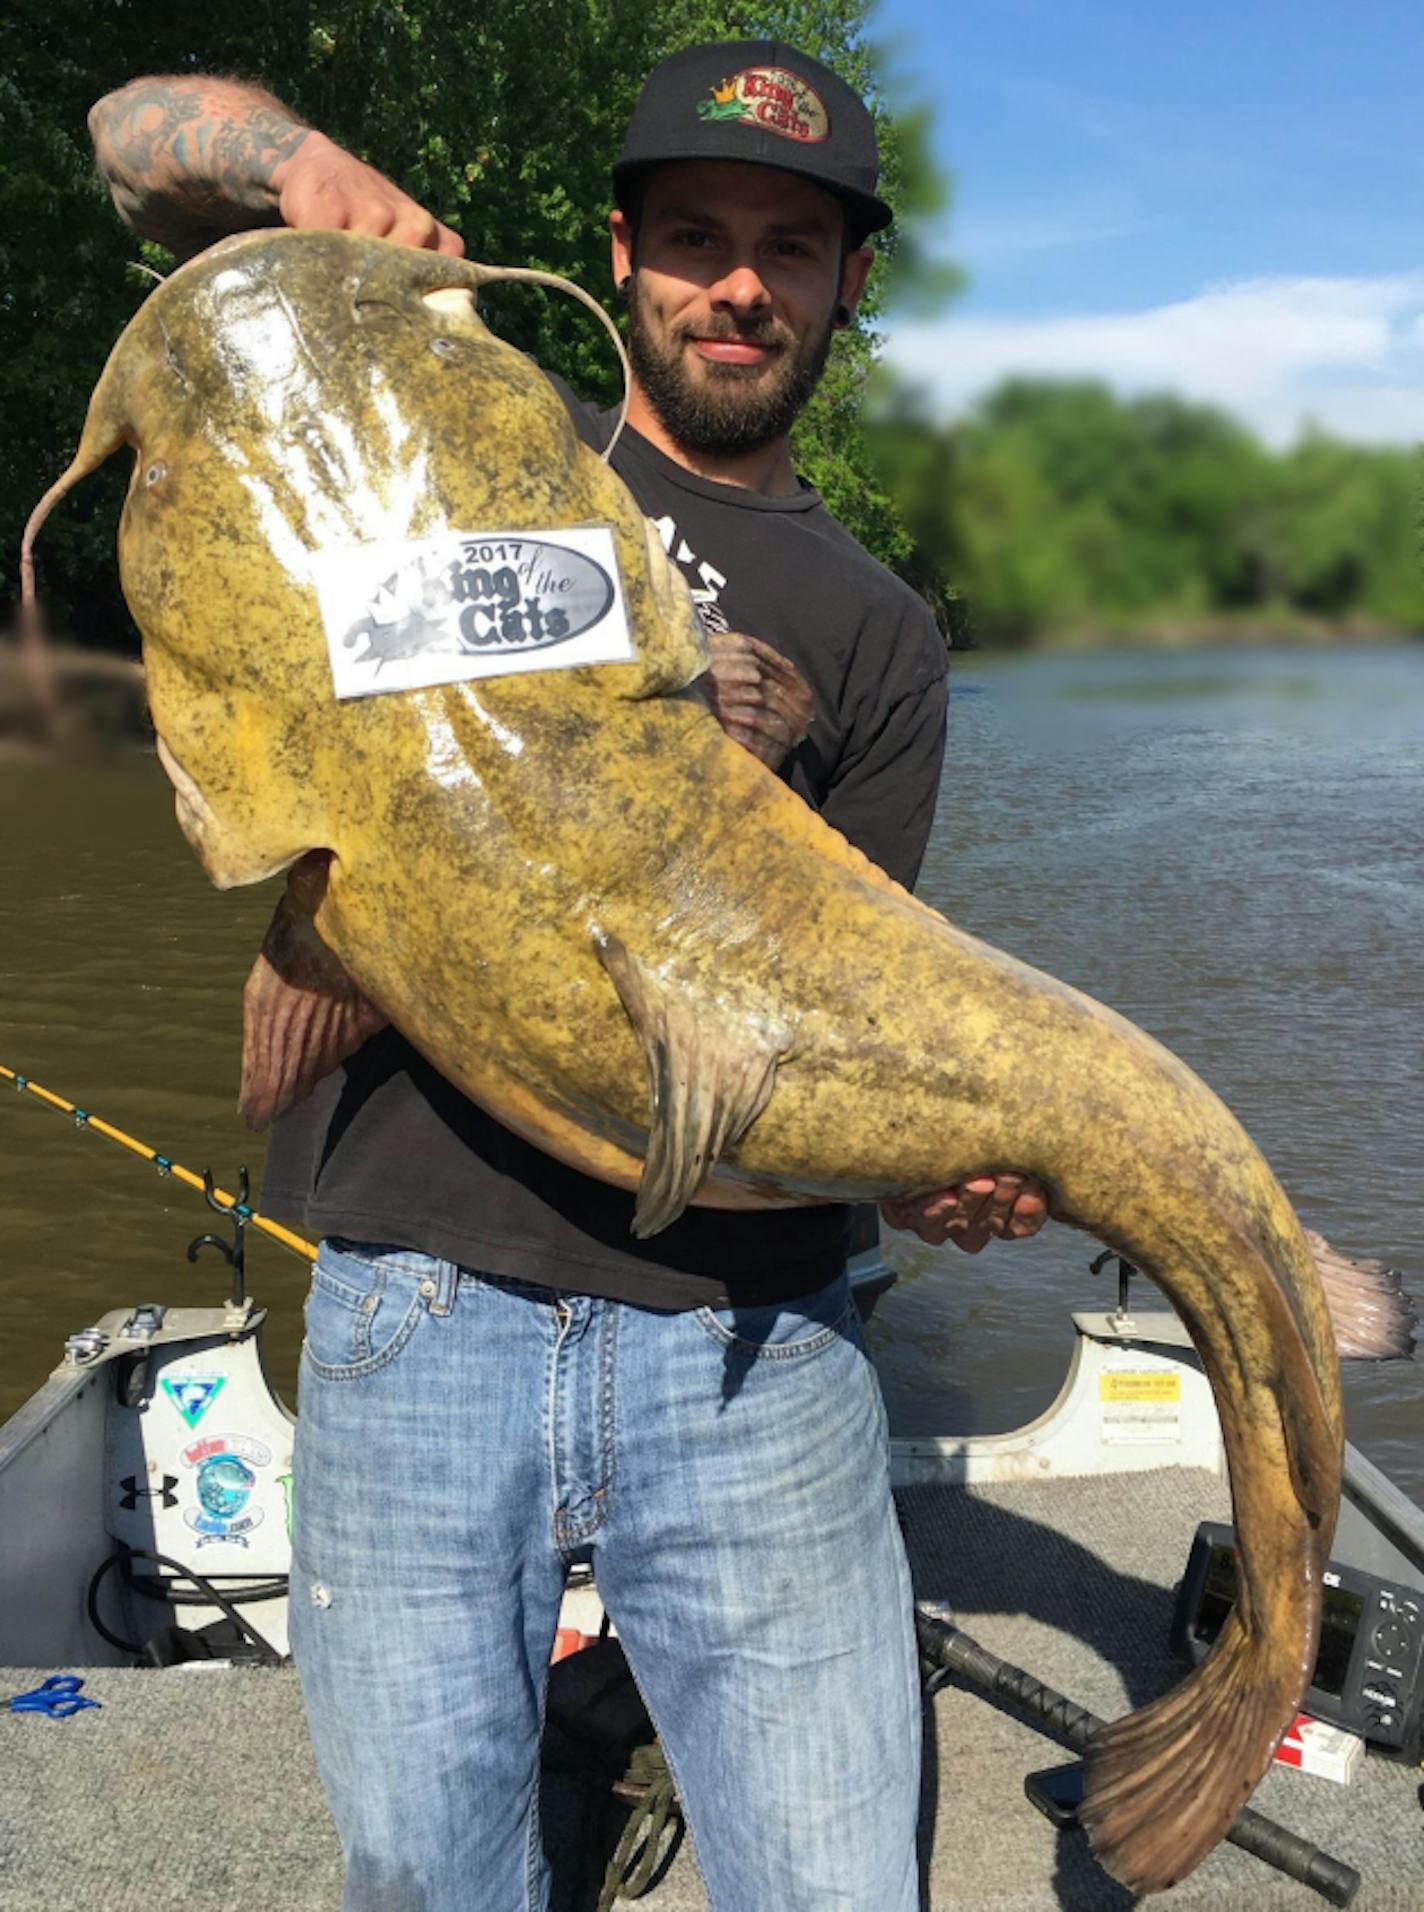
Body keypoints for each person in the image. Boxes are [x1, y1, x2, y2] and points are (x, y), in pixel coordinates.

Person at [91, 42, 1048, 1910]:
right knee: (430, 1876)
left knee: (846, 1884)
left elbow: (825, 1022)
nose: (740, 283)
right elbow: (132, 140)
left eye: (792, 246)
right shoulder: (456, 430)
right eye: (695, 236)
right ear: (618, 254)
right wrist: (298, 170)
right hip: (410, 1315)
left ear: (850, 284)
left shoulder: (881, 635)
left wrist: (938, 1162)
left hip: (755, 1346)